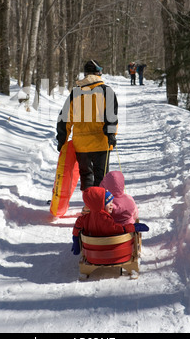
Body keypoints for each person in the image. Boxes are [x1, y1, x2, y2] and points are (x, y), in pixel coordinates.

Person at [56, 59, 118, 191]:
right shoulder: (106, 91)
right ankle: (99, 204)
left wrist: (62, 140)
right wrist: (111, 134)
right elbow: (111, 117)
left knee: (86, 176)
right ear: (99, 73)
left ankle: (88, 205)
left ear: (85, 74)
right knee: (101, 177)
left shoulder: (76, 93)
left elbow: (64, 118)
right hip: (101, 142)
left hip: (81, 145)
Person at [71, 187, 149, 255]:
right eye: (109, 203)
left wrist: (76, 239)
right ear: (100, 204)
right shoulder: (104, 219)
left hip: (91, 254)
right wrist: (133, 227)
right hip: (108, 254)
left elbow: (77, 226)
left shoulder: (84, 218)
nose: (112, 205)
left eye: (112, 202)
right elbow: (116, 230)